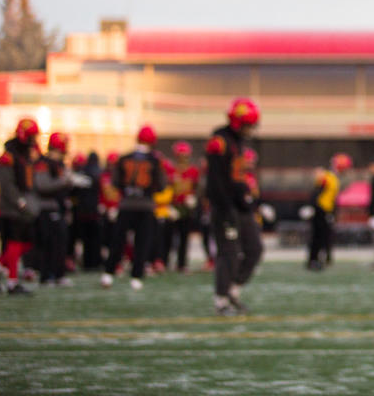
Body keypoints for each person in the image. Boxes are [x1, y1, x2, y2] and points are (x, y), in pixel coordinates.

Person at [205, 98, 264, 315]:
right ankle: (221, 299)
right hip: (224, 206)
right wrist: (225, 206)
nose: (251, 129)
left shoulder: (238, 142)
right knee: (228, 252)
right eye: (248, 124)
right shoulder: (219, 141)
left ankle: (232, 290)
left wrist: (248, 200)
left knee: (254, 249)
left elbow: (239, 176)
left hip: (240, 206)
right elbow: (216, 179)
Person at [101, 126, 166, 290]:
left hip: (126, 204)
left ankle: (109, 273)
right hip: (145, 205)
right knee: (142, 243)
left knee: (118, 240)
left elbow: (115, 182)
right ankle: (136, 276)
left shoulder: (124, 158)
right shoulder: (154, 160)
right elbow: (162, 185)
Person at [0, 118, 41, 295]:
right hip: (12, 206)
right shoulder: (9, 156)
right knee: (16, 243)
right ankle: (11, 281)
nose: (34, 140)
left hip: (21, 204)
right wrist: (19, 201)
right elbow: (7, 183)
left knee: (26, 242)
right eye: (32, 136)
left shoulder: (24, 154)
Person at [33, 132, 76, 286]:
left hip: (59, 207)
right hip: (46, 208)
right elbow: (42, 185)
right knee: (48, 243)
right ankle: (46, 275)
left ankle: (58, 273)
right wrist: (64, 181)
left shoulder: (60, 164)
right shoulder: (44, 163)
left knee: (61, 242)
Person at [307, 153, 350, 271]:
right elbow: (317, 192)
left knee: (325, 236)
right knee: (319, 236)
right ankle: (314, 260)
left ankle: (322, 258)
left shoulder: (332, 177)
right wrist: (312, 207)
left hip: (326, 210)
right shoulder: (327, 176)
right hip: (321, 210)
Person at [169, 142, 201, 272]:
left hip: (187, 207)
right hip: (173, 206)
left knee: (184, 236)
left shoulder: (193, 170)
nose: (183, 158)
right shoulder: (171, 170)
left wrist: (194, 198)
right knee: (168, 236)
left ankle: (182, 263)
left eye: (185, 155)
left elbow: (198, 188)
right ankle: (163, 260)